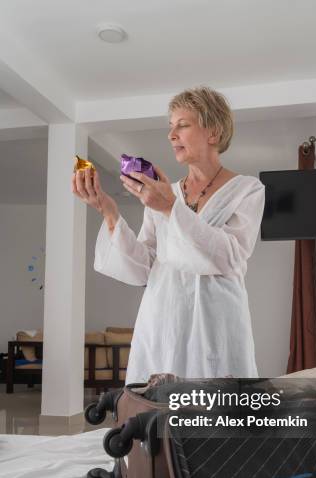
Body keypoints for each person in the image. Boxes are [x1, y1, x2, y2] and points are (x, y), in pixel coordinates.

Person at [72, 86, 265, 383]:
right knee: (155, 419)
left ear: (213, 132)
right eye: (170, 127)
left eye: (183, 125)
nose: (171, 134)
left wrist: (170, 208)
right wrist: (108, 212)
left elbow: (229, 256)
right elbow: (145, 269)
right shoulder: (164, 193)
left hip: (214, 325)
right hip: (163, 320)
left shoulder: (247, 190)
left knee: (214, 417)